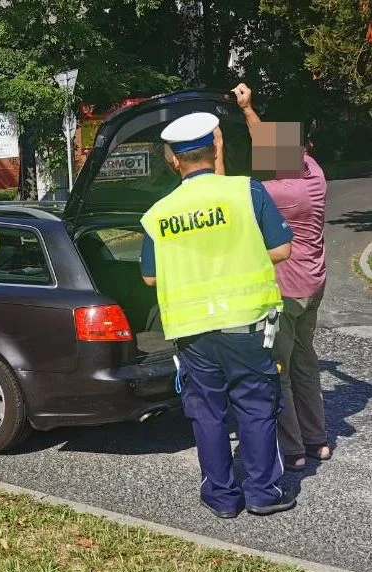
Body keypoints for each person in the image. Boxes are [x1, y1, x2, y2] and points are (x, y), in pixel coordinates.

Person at [139, 112, 297, 518]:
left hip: (192, 332)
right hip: (246, 325)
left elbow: (150, 277)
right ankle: (263, 492)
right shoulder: (246, 192)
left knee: (207, 414)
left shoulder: (158, 213)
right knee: (257, 406)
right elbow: (282, 250)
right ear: (216, 148)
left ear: (173, 159)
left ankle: (222, 498)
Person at [231, 83, 331, 472]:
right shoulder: (314, 173)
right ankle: (318, 440)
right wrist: (248, 108)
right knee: (306, 363)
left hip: (286, 291)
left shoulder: (275, 192)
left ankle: (293, 450)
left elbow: (228, 192)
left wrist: (216, 156)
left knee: (281, 371)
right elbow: (270, 141)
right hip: (314, 285)